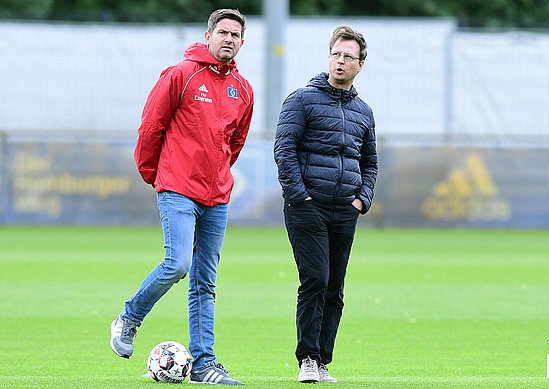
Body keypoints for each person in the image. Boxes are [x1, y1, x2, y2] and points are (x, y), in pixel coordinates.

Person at [109, 8, 253, 386]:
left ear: (242, 43)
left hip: (217, 195)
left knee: (205, 280)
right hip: (177, 187)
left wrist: (217, 172)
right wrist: (153, 172)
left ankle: (204, 365)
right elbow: (151, 125)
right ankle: (129, 318)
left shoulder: (244, 89)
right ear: (207, 36)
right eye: (221, 32)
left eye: (234, 34)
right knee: (177, 264)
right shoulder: (181, 75)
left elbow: (234, 143)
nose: (228, 39)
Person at [273, 26, 377, 383]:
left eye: (348, 56)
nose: (340, 61)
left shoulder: (364, 111)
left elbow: (370, 162)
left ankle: (323, 361)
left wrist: (362, 199)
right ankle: (307, 359)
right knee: (315, 278)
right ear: (328, 57)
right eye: (336, 53)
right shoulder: (302, 99)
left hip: (345, 211)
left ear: (360, 65)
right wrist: (299, 196)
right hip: (308, 207)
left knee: (335, 288)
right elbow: (284, 150)